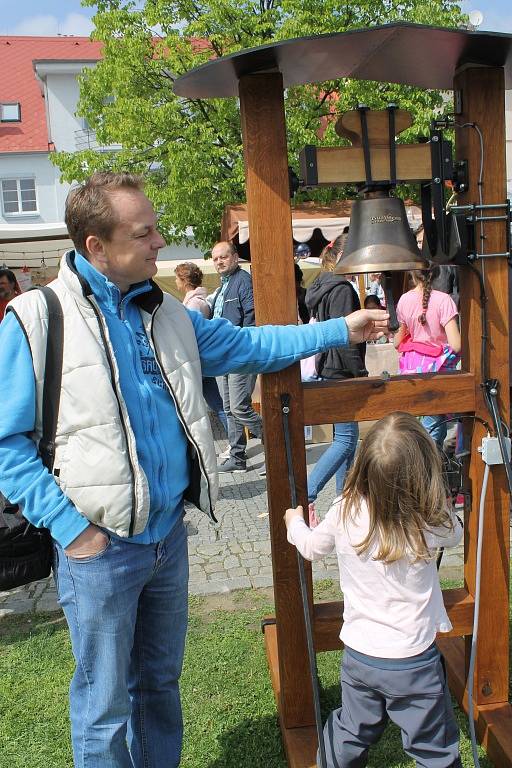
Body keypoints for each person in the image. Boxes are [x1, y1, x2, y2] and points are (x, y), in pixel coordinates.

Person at [0, 171, 389, 768]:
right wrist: (74, 531)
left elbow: (251, 346)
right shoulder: (35, 317)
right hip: (99, 548)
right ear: (95, 245)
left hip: (167, 539)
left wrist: (338, 328)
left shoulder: (170, 314)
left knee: (159, 687)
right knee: (103, 708)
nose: (161, 244)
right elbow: (6, 446)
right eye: (145, 233)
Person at [285, 412, 463, 768]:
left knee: (351, 730)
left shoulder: (344, 510)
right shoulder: (428, 519)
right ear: (424, 472)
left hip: (361, 656)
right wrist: (442, 504)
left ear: (363, 466)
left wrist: (294, 521)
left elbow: (311, 547)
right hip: (414, 660)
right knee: (432, 745)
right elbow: (457, 532)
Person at [305, 235, 367, 520]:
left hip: (328, 367)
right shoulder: (342, 289)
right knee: (344, 440)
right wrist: (360, 373)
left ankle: (344, 498)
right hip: (340, 370)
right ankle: (307, 492)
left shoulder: (322, 284)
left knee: (347, 438)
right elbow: (348, 338)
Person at [394, 266, 461, 448]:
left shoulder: (404, 300)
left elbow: (397, 342)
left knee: (416, 429)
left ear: (411, 273)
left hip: (410, 372)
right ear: (437, 274)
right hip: (436, 374)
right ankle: (425, 472)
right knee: (434, 430)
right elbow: (456, 345)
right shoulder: (444, 300)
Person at [210, 240, 262, 473]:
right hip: (224, 355)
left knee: (240, 407)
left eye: (223, 257)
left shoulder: (243, 281)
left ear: (235, 257)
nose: (219, 262)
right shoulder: (223, 286)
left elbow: (252, 317)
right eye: (215, 259)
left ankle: (277, 444)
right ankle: (237, 457)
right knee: (229, 409)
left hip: (240, 353)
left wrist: (244, 347)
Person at [174, 261, 228, 432]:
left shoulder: (193, 304)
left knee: (209, 405)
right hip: (201, 359)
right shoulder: (198, 300)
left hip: (196, 359)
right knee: (215, 404)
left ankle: (235, 443)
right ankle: (235, 442)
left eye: (177, 278)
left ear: (184, 280)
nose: (176, 282)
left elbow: (191, 334)